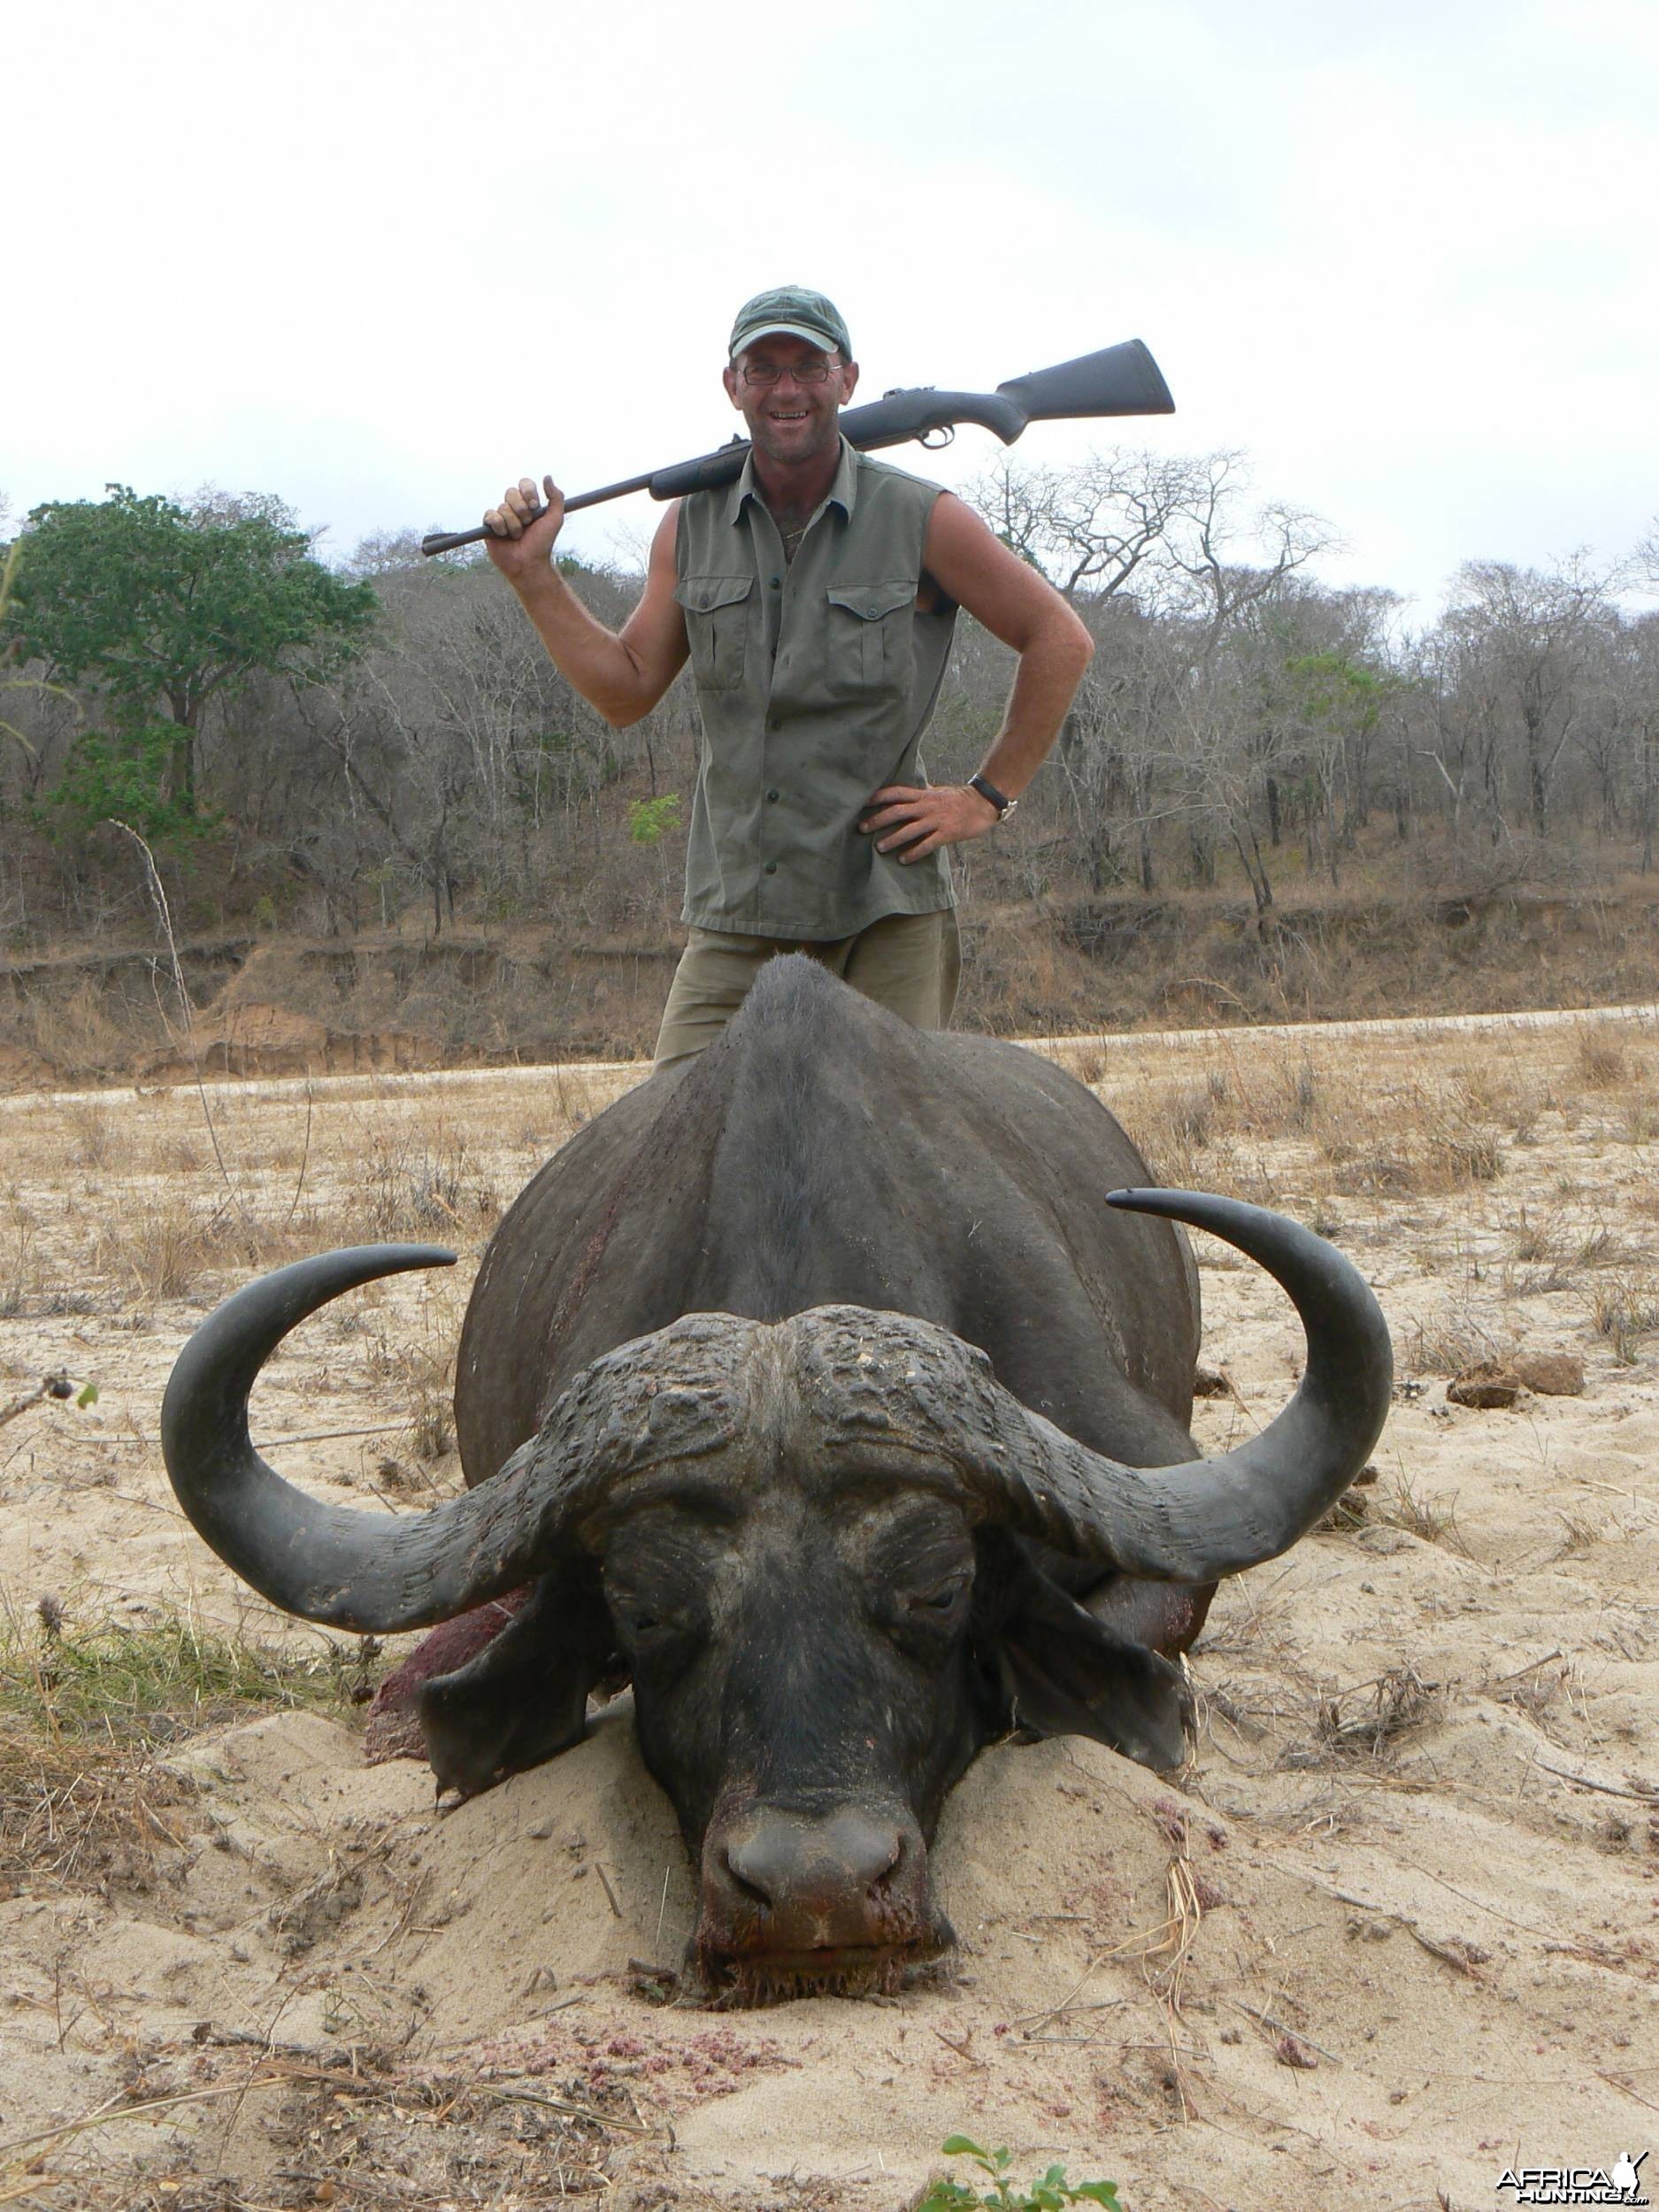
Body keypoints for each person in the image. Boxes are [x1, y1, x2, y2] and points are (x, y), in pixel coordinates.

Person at [483, 285, 1094, 1070]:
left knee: (887, 1163)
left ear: (847, 378)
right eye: (762, 369)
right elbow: (626, 690)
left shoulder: (922, 515)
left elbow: (1058, 638)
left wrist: (985, 798)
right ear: (731, 385)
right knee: (674, 1148)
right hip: (737, 915)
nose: (786, 390)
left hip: (883, 913)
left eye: (809, 366)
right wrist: (533, 576)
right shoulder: (690, 522)